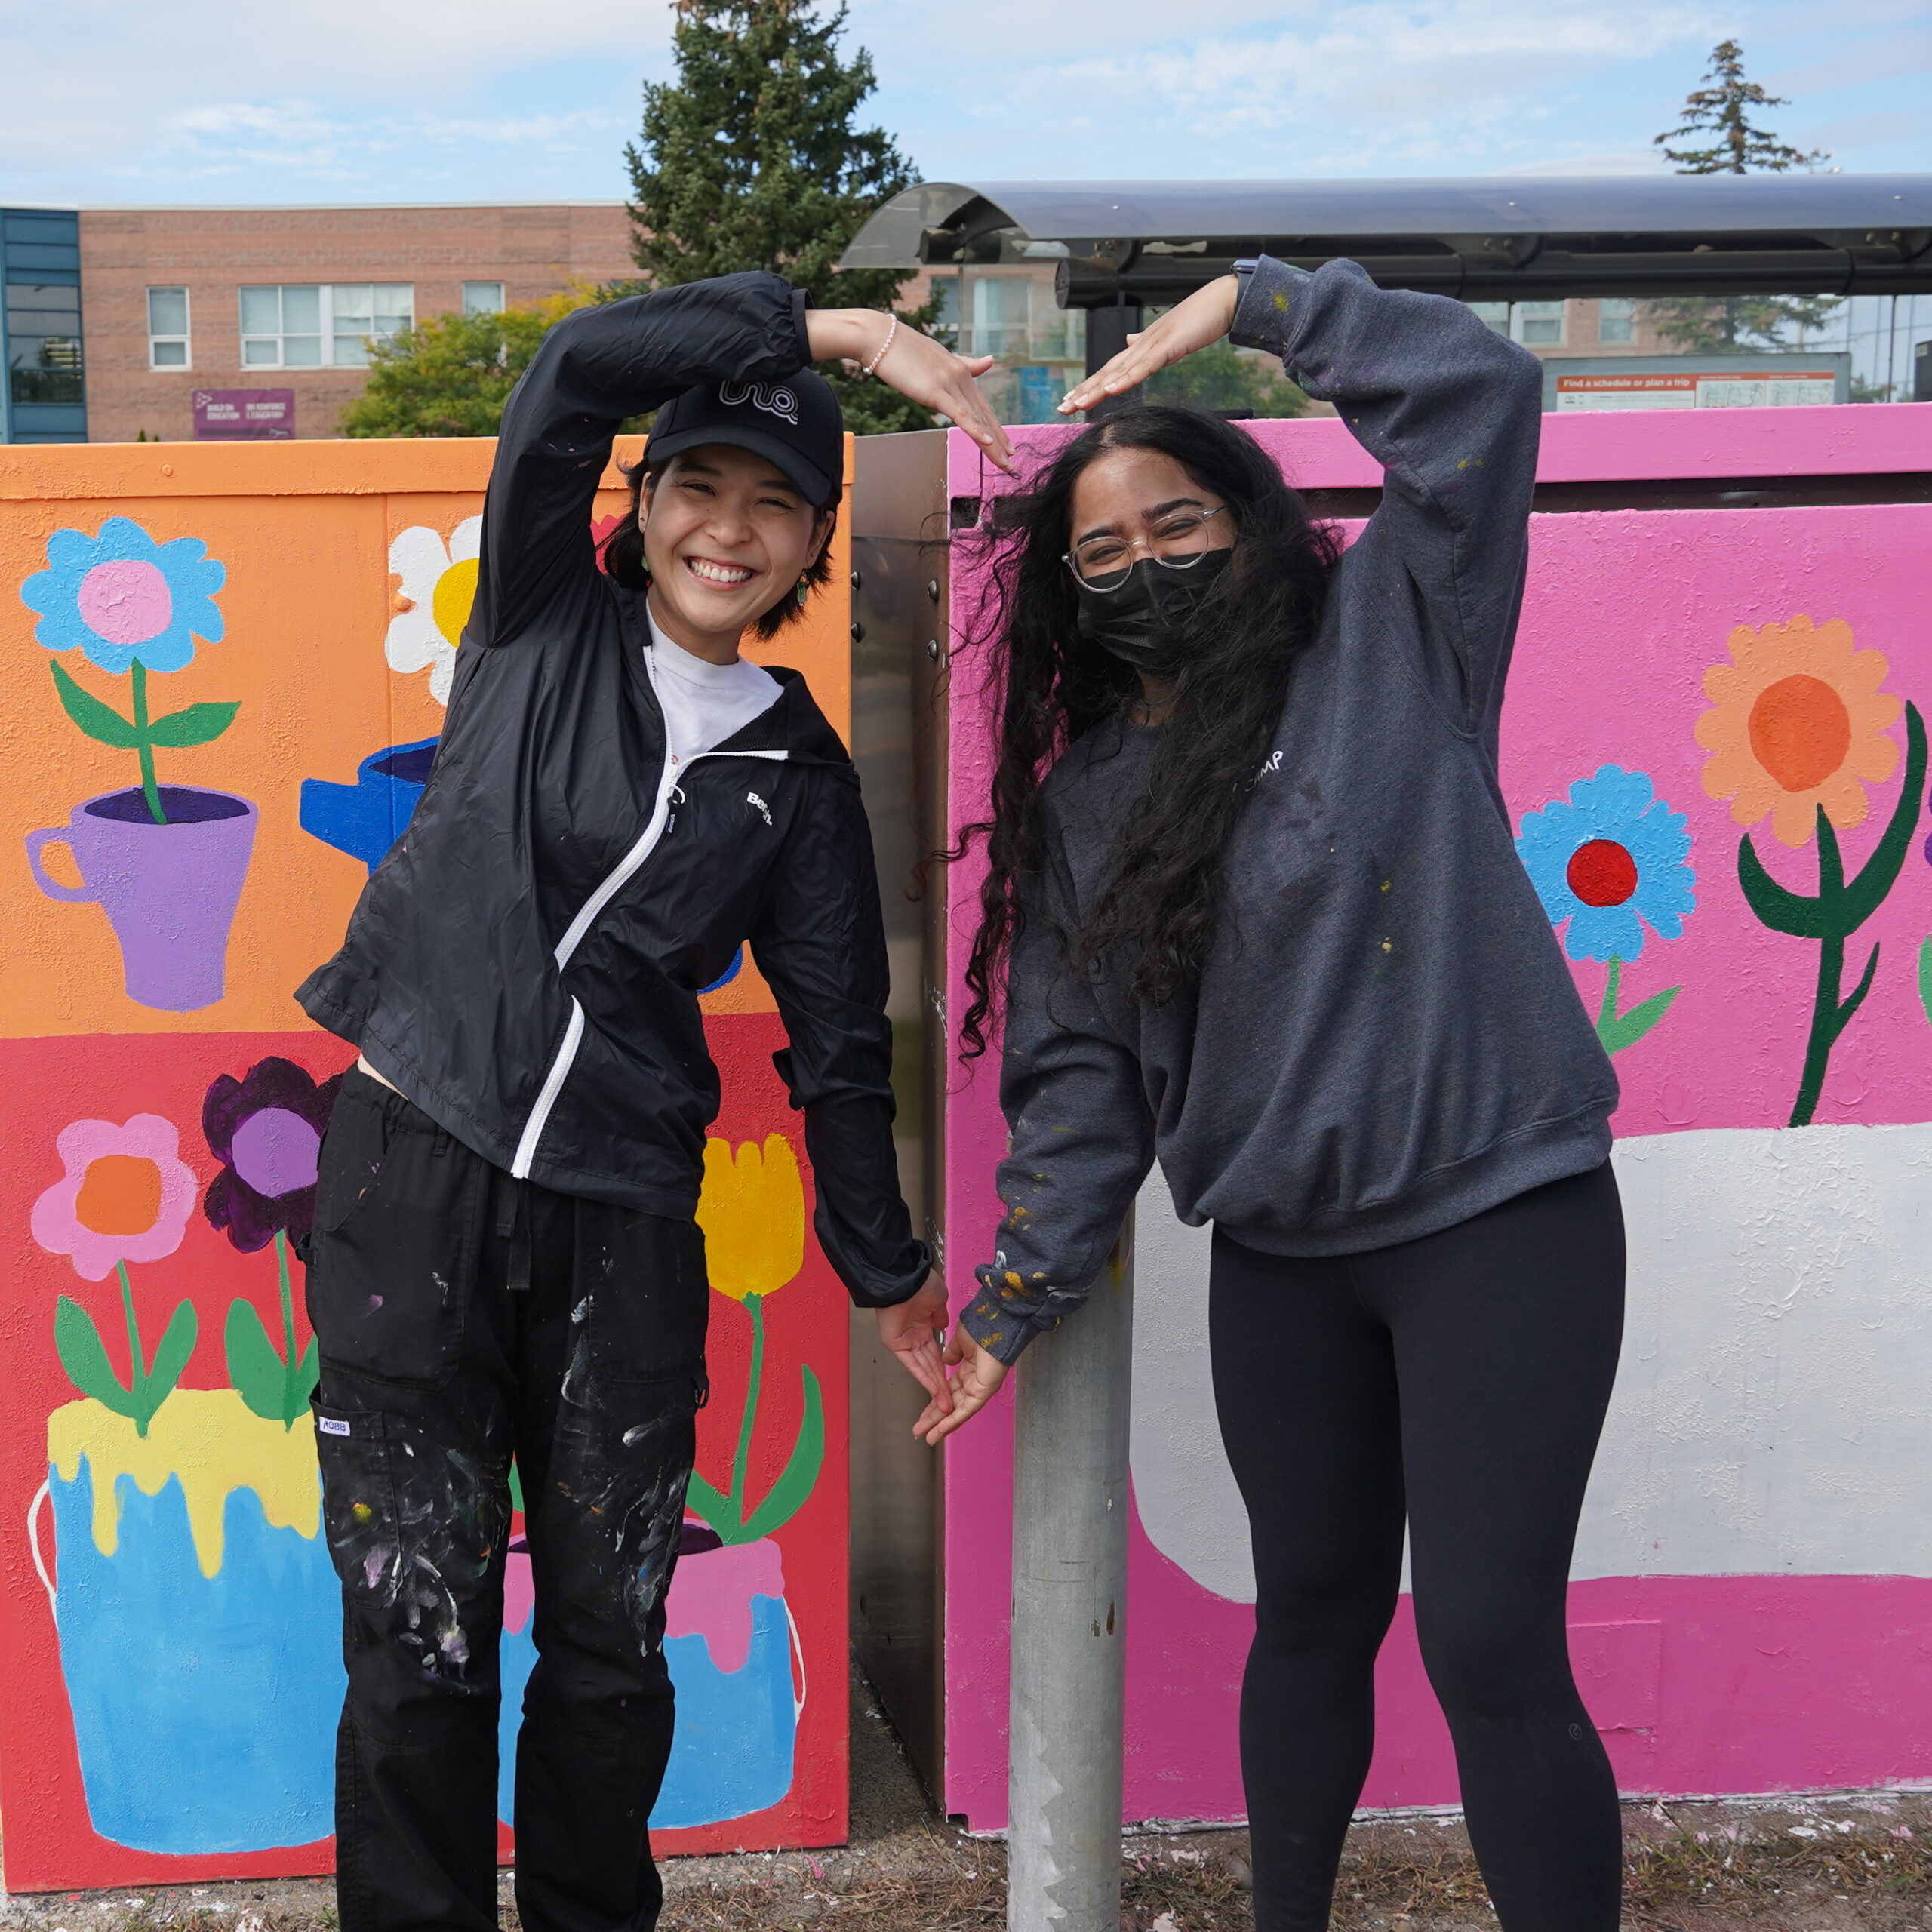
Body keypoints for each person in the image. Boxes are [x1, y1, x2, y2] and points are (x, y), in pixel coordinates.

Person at [293, 272, 1012, 1932]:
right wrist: (837, 337)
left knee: (612, 1642)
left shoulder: (799, 769)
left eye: (777, 503)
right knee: (419, 1630)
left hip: (622, 1226)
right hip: (412, 1177)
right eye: (700, 483)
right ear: (642, 501)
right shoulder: (540, 612)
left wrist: (888, 1273)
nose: (730, 527)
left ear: (812, 541)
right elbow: (573, 365)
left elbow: (839, 1044)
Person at [919, 257, 1628, 1932]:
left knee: (1483, 1633)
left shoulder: (1397, 631)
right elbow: (1082, 1073)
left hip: (1495, 1219)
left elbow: (1476, 402)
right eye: (1099, 552)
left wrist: (1251, 302)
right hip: (1286, 1261)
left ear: (1244, 514)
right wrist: (1012, 1298)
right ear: (1065, 599)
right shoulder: (1086, 798)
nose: (1141, 564)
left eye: (1172, 523)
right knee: (1305, 1611)